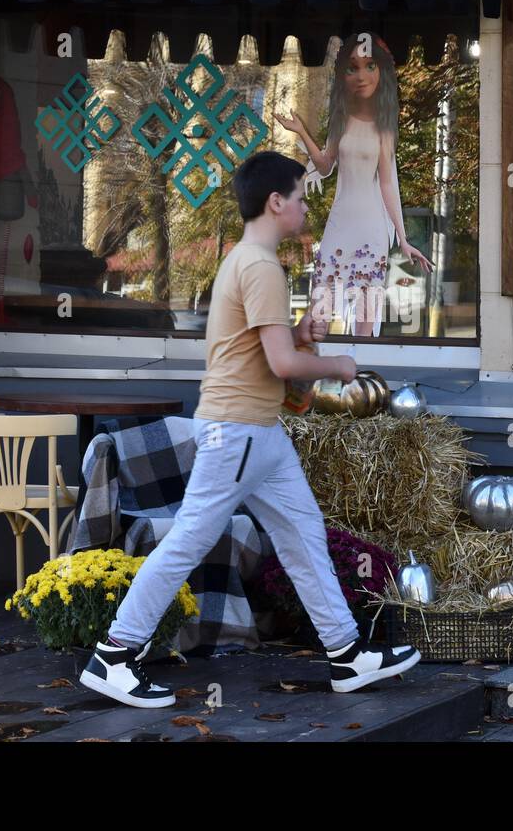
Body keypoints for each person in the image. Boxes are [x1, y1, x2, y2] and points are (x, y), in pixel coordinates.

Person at [79, 151, 422, 708]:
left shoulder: (247, 260)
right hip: (238, 432)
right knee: (189, 540)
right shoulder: (260, 267)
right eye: (302, 197)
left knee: (304, 536)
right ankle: (114, 655)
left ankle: (347, 656)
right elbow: (283, 366)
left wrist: (299, 330)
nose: (307, 207)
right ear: (276, 202)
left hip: (258, 434)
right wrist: (338, 366)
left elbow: (264, 349)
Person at [276, 32, 434, 337]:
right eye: (352, 67)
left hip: (372, 227)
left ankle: (360, 375)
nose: (361, 75)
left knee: (366, 311)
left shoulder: (385, 129)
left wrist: (402, 238)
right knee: (321, 302)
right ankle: (311, 370)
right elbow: (324, 165)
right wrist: (301, 132)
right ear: (343, 75)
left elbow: (388, 184)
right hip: (340, 222)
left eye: (369, 66)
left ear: (382, 71)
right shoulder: (341, 119)